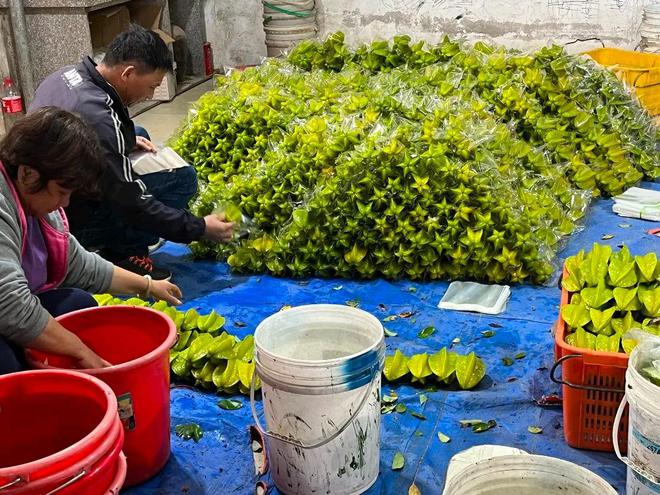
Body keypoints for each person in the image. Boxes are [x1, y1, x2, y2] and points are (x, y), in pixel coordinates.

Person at [29, 25, 233, 281]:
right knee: (184, 178)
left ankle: (117, 240)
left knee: (139, 132)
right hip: (66, 217)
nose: (149, 96)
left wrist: (124, 139)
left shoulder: (67, 75)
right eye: (151, 87)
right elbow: (134, 203)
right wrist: (200, 227)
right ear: (128, 73)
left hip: (50, 182)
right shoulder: (99, 119)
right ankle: (125, 253)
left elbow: (102, 129)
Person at [0, 107, 184, 375]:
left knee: (77, 305)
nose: (64, 203)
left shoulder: (32, 201)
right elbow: (9, 303)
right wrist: (80, 351)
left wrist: (148, 286)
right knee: (8, 366)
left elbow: (79, 264)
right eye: (61, 192)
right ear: (28, 174)